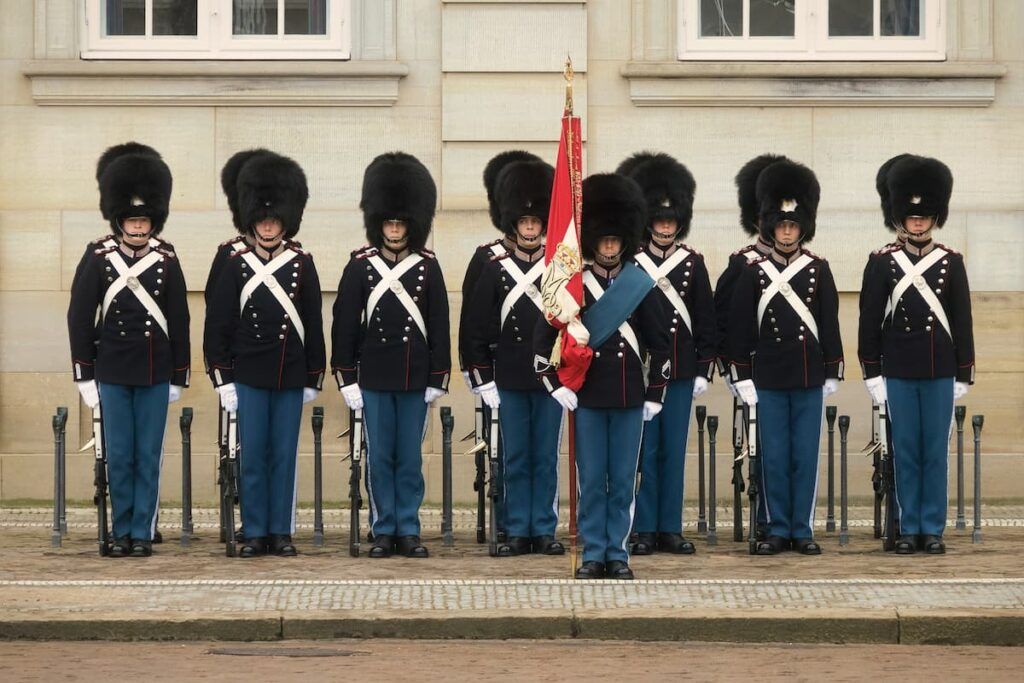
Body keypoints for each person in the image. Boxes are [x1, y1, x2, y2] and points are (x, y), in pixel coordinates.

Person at [534, 173, 671, 580]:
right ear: (592, 241)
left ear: (623, 241)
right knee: (592, 480)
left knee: (624, 479)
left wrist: (655, 394)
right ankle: (594, 551)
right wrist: (554, 386)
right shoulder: (572, 285)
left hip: (629, 395)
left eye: (615, 241)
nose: (609, 247)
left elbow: (661, 342)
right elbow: (544, 341)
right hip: (588, 395)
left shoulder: (638, 285)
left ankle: (618, 552)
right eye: (603, 240)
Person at [67, 142, 190, 558]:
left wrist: (179, 375)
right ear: (119, 220)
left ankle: (143, 530)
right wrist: (84, 374)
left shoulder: (167, 258)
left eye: (144, 219)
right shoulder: (99, 256)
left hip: (155, 372)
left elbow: (180, 320)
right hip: (114, 372)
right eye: (132, 219)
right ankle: (121, 530)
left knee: (146, 456)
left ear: (152, 221)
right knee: (119, 457)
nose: (138, 226)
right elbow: (80, 317)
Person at [204, 150, 325, 558]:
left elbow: (312, 322)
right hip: (250, 374)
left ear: (285, 221)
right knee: (253, 456)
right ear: (251, 221)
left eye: (275, 219)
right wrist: (223, 378)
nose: (269, 225)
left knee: (284, 457)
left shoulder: (302, 263)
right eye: (262, 219)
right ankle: (254, 529)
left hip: (289, 374)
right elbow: (218, 322)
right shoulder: (235, 263)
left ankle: (281, 530)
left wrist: (313, 375)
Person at [332, 152, 451, 559]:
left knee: (410, 460)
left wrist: (438, 376)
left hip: (414, 378)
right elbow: (345, 323)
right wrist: (347, 377)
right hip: (376, 378)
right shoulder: (361, 267)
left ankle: (409, 528)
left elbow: (439, 324)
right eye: (389, 222)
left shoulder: (428, 267)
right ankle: (384, 527)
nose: (395, 229)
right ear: (378, 223)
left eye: (401, 222)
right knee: (381, 458)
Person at [858, 154, 973, 555]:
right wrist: (872, 373)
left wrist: (963, 373)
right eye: (911, 217)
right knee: (905, 450)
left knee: (934, 453)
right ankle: (908, 526)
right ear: (900, 219)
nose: (918, 222)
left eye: (924, 217)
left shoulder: (951, 263)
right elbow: (869, 321)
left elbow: (962, 321)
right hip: (900, 371)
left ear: (934, 218)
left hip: (940, 370)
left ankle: (932, 528)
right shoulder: (882, 263)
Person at [727, 158, 843, 556]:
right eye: (782, 225)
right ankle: (777, 528)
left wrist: (832, 369)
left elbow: (830, 322)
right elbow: (741, 328)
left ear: (802, 228)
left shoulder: (818, 269)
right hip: (770, 378)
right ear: (771, 228)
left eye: (794, 225)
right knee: (774, 457)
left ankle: (801, 528)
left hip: (808, 375)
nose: (788, 231)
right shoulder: (754, 271)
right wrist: (742, 375)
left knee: (804, 458)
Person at [464, 154, 565, 557]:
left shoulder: (560, 262)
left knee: (545, 457)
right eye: (523, 222)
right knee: (515, 457)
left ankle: (543, 527)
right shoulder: (489, 261)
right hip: (506, 375)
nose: (529, 227)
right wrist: (481, 376)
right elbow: (474, 322)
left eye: (535, 221)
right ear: (512, 222)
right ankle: (515, 527)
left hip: (549, 376)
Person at [616, 152, 716, 555]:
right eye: (658, 220)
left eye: (671, 221)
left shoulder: (692, 263)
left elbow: (705, 319)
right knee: (642, 452)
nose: (664, 226)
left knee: (673, 451)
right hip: (639, 373)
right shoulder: (630, 264)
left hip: (678, 373)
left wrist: (704, 369)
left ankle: (669, 527)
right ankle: (641, 527)